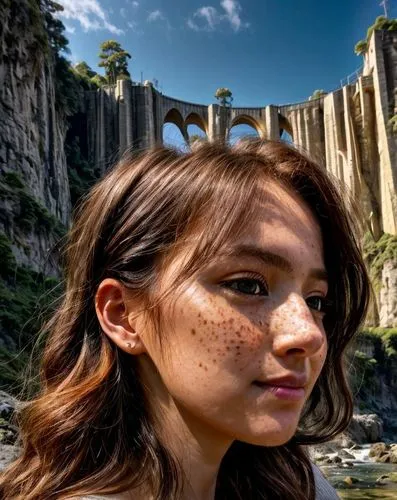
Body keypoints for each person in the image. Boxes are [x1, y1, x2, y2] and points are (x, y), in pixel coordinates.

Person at [0, 139, 370, 500]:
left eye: (316, 300)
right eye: (248, 285)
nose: (308, 332)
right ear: (123, 315)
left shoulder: (301, 484)